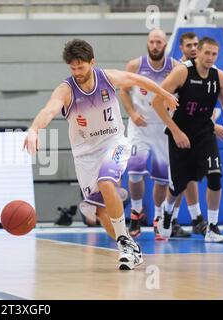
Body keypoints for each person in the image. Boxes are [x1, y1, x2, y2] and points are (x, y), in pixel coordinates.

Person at [23, 39, 178, 270]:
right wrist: (35, 129)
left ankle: (125, 243)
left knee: (107, 182)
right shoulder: (66, 89)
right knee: (100, 211)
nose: (77, 72)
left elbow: (137, 79)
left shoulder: (107, 77)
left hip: (113, 143)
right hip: (85, 154)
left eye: (81, 67)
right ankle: (127, 245)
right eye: (72, 68)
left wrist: (164, 92)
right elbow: (49, 109)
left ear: (92, 62)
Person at [152, 37, 223, 243]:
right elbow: (156, 102)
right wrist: (176, 131)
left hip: (205, 133)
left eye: (214, 54)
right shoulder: (182, 72)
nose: (210, 57)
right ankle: (167, 214)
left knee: (215, 175)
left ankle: (212, 228)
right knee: (179, 184)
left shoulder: (219, 76)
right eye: (207, 53)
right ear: (198, 53)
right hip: (181, 134)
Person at [120, 29, 190, 240]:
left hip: (162, 128)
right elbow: (123, 90)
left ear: (165, 44)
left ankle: (158, 217)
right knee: (134, 172)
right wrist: (132, 113)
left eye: (159, 42)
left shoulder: (176, 68)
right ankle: (135, 213)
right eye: (152, 42)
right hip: (140, 127)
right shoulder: (135, 66)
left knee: (161, 179)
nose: (155, 46)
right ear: (147, 44)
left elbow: (184, 95)